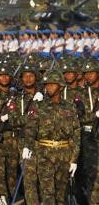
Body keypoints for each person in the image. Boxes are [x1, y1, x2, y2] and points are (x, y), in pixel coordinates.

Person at [23, 70, 81, 204]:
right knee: (47, 192)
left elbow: (76, 133)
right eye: (47, 85)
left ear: (60, 86)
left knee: (61, 194)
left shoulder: (70, 107)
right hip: (44, 152)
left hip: (64, 153)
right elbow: (31, 128)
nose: (48, 87)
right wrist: (27, 146)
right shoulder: (39, 106)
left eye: (52, 85)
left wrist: (74, 159)